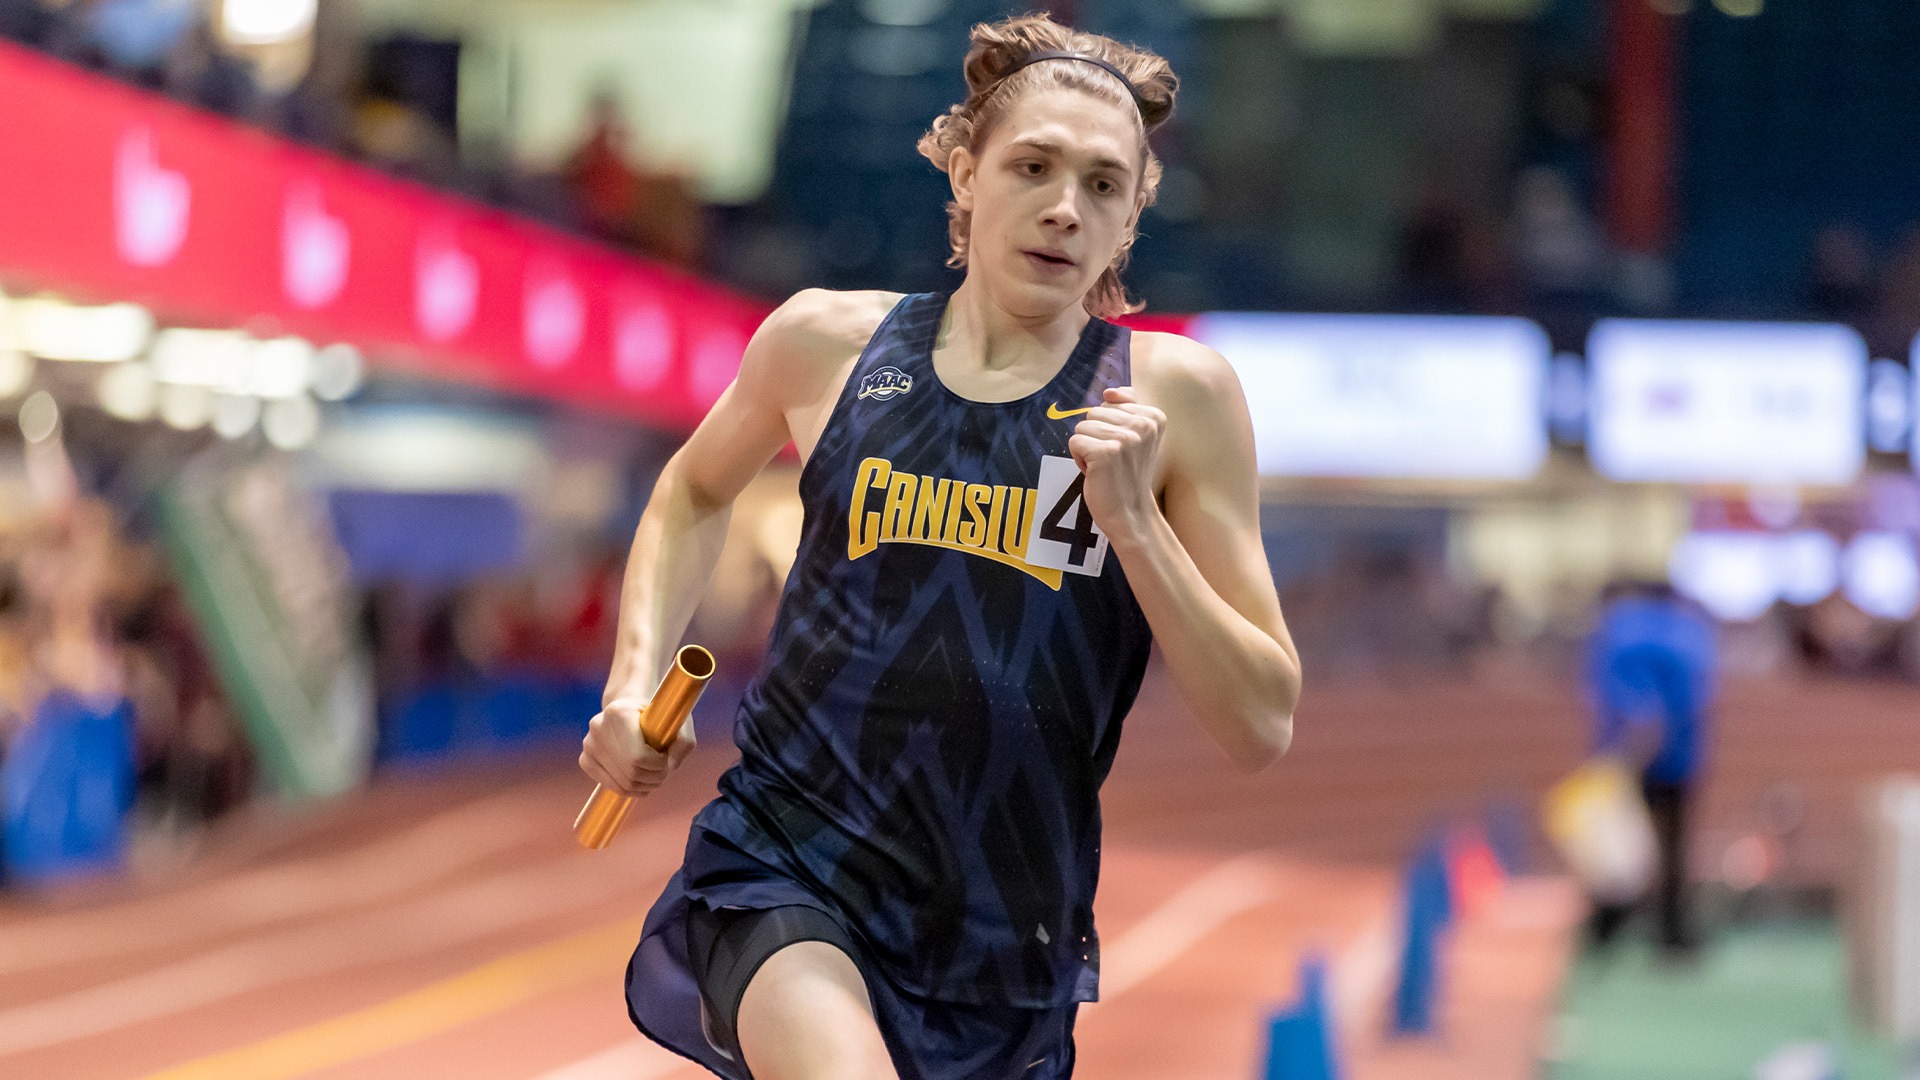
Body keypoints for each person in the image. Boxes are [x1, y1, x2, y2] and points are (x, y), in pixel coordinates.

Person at [579, 15, 1302, 1079]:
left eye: (1105, 185)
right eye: (1033, 167)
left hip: (1008, 941)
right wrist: (635, 686)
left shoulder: (1174, 398)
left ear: (1135, 213)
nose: (1065, 207)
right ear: (965, 174)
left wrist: (1139, 529)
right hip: (791, 861)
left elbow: (1262, 722)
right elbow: (692, 488)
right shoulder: (827, 342)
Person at [1583, 581, 1716, 957]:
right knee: (1667, 846)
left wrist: (1630, 751)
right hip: (1677, 756)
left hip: (1633, 755)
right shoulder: (1683, 632)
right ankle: (1667, 931)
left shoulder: (1623, 630)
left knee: (1623, 843)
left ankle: (1613, 926)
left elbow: (1634, 702)